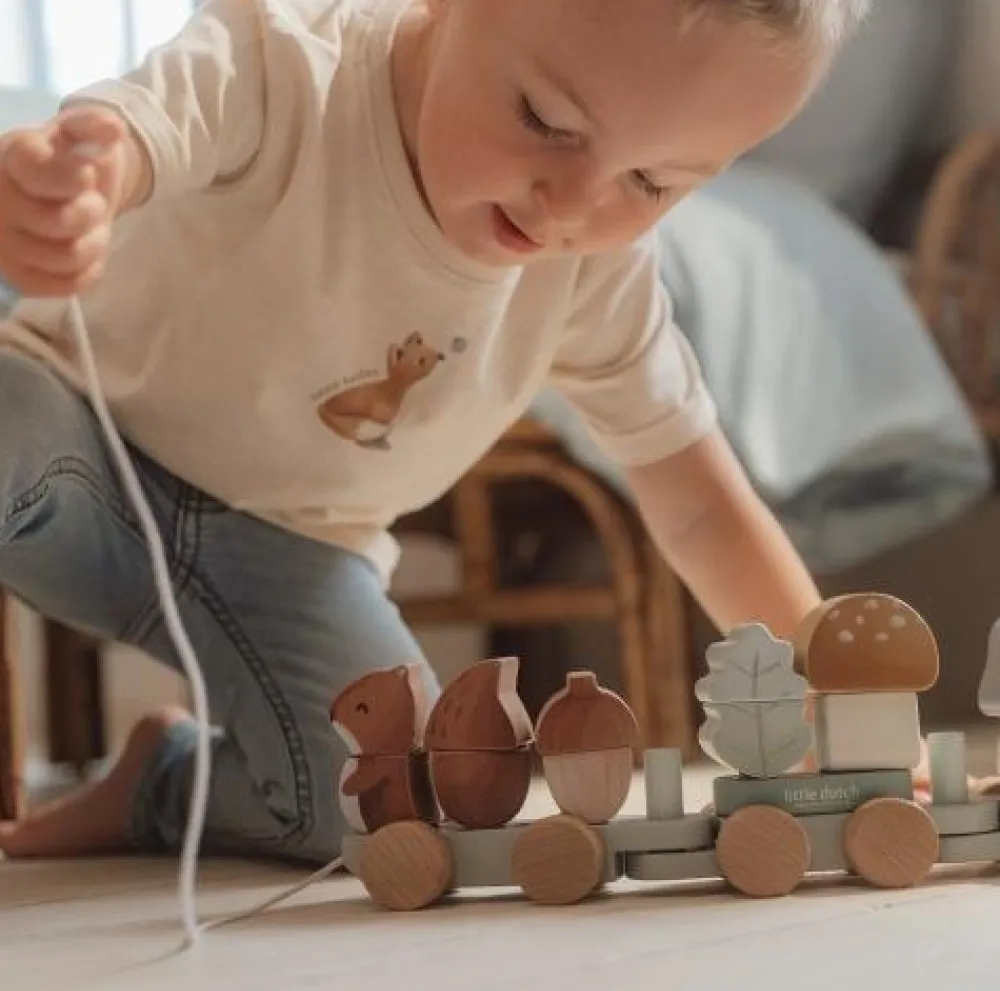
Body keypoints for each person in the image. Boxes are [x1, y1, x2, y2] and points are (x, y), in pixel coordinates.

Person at [0, 0, 872, 863]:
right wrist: (68, 190)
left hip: (296, 551)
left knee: (397, 802)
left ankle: (162, 788)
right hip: (80, 454)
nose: (571, 201)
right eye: (546, 119)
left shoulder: (596, 275)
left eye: (653, 182)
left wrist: (836, 714)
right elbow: (138, 132)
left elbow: (700, 507)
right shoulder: (285, 59)